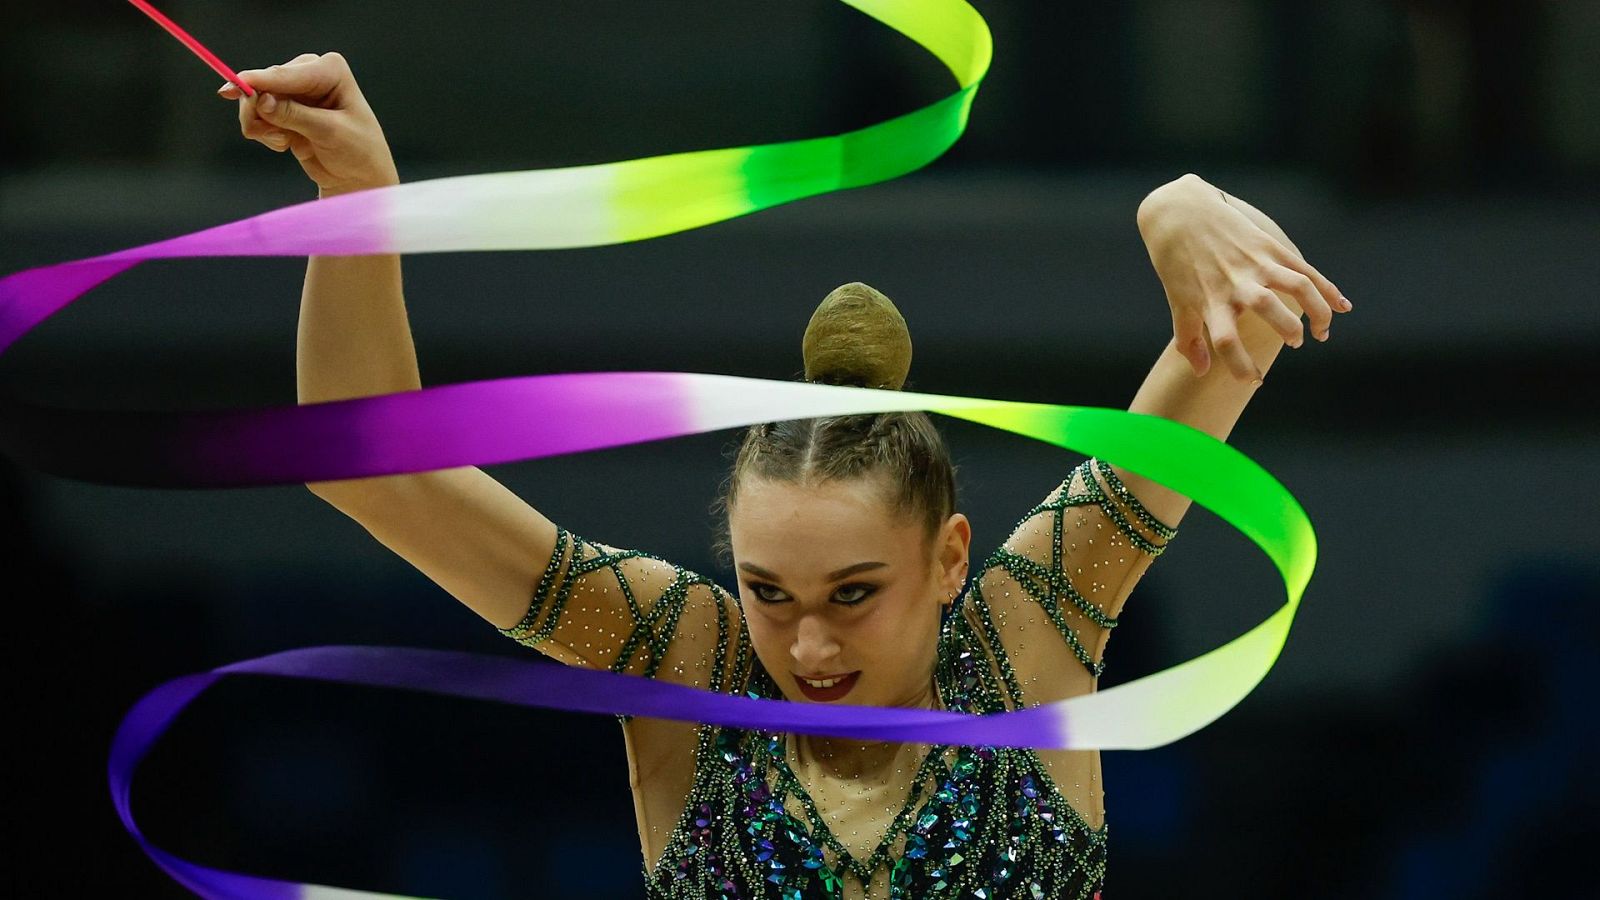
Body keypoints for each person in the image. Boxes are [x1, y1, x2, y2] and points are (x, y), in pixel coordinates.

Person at [220, 52, 1351, 900]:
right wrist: (358, 197)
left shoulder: (1027, 638)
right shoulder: (682, 662)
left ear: (949, 557)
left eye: (853, 594)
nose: (807, 649)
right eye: (770, 593)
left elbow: (1241, 331)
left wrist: (1178, 205)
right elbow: (371, 471)